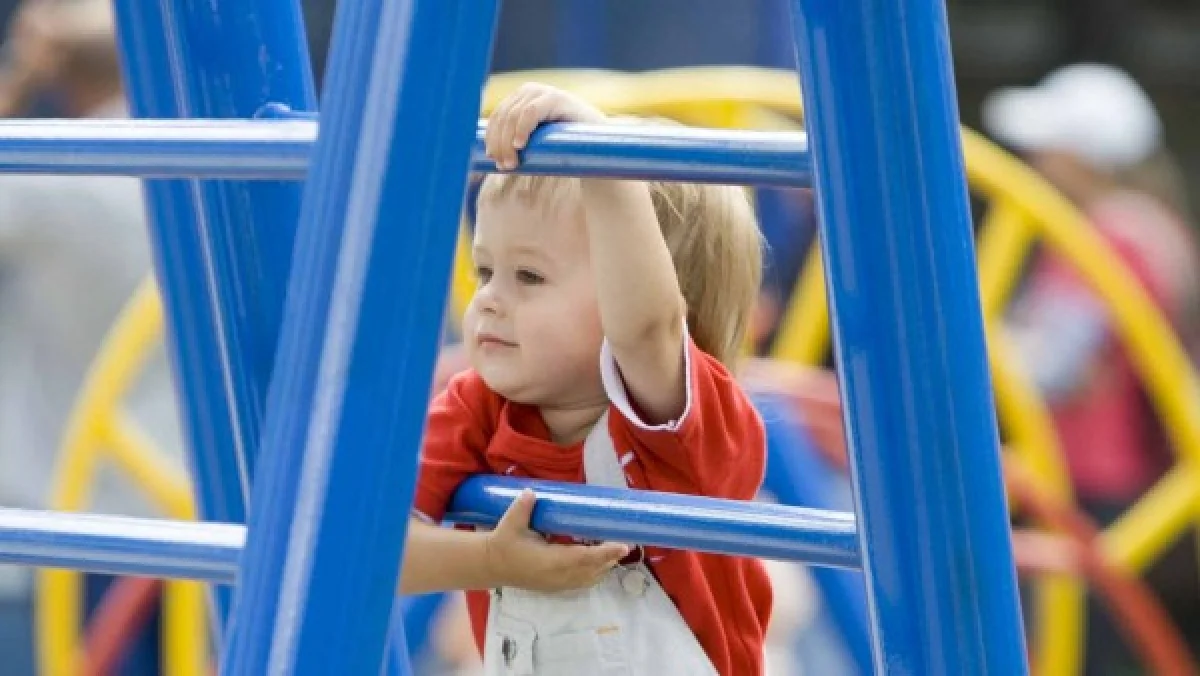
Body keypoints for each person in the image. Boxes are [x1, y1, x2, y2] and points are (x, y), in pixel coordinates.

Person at [397, 83, 771, 674]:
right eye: (486, 270)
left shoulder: (683, 425)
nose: (488, 299)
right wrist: (492, 559)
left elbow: (644, 330)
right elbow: (376, 550)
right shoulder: (478, 407)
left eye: (529, 276)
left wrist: (598, 147)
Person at [984, 62, 1200, 674]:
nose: (1034, 159)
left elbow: (1049, 365)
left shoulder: (1114, 235)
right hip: (1120, 485)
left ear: (1082, 155)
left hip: (1089, 486)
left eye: (1047, 146)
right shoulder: (1155, 227)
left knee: (1067, 650)